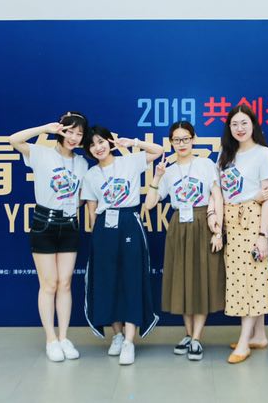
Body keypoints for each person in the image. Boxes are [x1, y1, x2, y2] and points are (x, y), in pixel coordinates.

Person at [9, 111, 89, 362]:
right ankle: (50, 339)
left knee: (65, 283)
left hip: (70, 224)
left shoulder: (82, 163)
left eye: (79, 133)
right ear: (60, 130)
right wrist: (44, 128)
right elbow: (14, 139)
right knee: (49, 284)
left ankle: (64, 337)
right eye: (70, 131)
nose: (74, 137)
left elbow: (81, 197)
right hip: (45, 223)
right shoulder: (41, 154)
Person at [80, 126, 164, 365]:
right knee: (107, 281)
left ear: (109, 141)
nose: (98, 147)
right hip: (104, 227)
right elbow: (92, 210)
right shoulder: (91, 175)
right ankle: (116, 335)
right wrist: (98, 236)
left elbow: (158, 150)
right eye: (92, 145)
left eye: (101, 141)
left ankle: (129, 341)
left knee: (131, 279)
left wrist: (133, 143)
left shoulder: (129, 161)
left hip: (129, 222)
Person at [145, 121, 225, 361]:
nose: (181, 144)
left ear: (193, 139)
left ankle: (197, 338)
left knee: (201, 280)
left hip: (203, 222)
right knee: (183, 280)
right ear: (171, 142)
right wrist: (157, 177)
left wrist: (218, 231)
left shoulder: (205, 164)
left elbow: (217, 196)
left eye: (185, 139)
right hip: (179, 226)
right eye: (176, 140)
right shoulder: (168, 171)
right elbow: (149, 204)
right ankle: (189, 335)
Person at [217, 105, 268, 364]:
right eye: (234, 124)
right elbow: (219, 190)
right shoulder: (225, 154)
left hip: (252, 221)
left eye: (244, 123)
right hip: (231, 221)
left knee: (251, 278)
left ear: (253, 125)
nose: (239, 128)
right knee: (244, 278)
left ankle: (244, 342)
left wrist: (263, 235)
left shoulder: (263, 153)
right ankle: (258, 336)